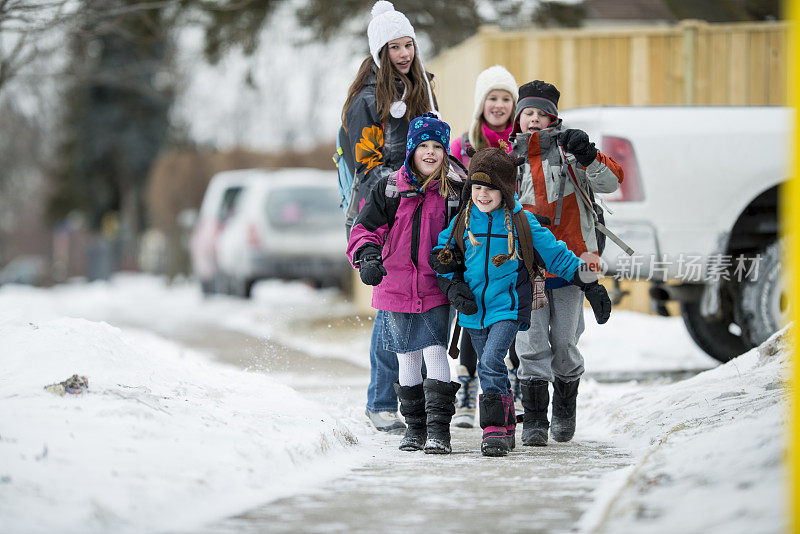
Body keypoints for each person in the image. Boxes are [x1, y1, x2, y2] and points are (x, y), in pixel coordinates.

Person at [431, 146, 612, 457]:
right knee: (493, 367)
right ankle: (507, 425)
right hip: (473, 312)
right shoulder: (463, 221)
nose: (482, 196)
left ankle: (493, 429)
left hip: (507, 309)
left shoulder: (521, 223)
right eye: (477, 188)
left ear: (504, 190)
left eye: (490, 189)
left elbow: (559, 256)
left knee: (490, 362)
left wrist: (592, 286)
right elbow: (443, 257)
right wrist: (453, 288)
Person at [340, 1, 438, 433]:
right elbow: (367, 162)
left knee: (420, 301)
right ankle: (382, 400)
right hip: (379, 209)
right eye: (394, 47)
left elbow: (433, 146)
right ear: (380, 52)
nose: (404, 54)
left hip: (419, 204)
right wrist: (401, 182)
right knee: (392, 307)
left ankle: (412, 396)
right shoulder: (366, 100)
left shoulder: (421, 91)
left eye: (408, 45)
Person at [511, 80, 624, 446]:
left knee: (564, 341)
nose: (534, 119)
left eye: (542, 114)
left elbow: (611, 182)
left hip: (574, 264)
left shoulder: (572, 150)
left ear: (553, 118)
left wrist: (589, 155)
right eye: (527, 112)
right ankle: (534, 422)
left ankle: (564, 409)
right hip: (527, 266)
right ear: (518, 118)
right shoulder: (509, 158)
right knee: (530, 342)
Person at [347, 113, 464, 454]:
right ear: (412, 149)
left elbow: (462, 240)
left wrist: (456, 276)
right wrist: (368, 257)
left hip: (435, 286)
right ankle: (415, 428)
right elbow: (364, 229)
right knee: (407, 357)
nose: (430, 153)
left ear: (445, 151)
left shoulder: (454, 191)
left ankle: (439, 430)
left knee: (435, 350)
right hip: (395, 286)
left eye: (437, 147)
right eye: (423, 146)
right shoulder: (389, 189)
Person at [448, 65, 521, 428]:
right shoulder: (464, 143)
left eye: (506, 98)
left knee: (508, 311)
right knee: (473, 309)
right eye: (492, 97)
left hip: (508, 234)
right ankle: (467, 383)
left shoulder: (519, 141)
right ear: (481, 104)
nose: (498, 104)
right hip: (472, 234)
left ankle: (512, 385)